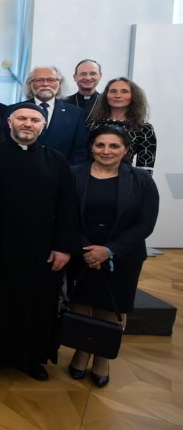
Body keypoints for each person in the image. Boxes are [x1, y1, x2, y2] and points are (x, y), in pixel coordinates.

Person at [0, 103, 79, 380]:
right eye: (22, 118)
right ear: (9, 122)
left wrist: (63, 247)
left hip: (41, 249)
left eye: (35, 120)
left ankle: (31, 358)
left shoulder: (56, 160)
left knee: (36, 305)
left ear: (43, 126)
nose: (28, 124)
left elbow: (67, 206)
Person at [66, 125, 159, 387]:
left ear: (126, 149)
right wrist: (88, 250)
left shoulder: (141, 180)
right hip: (81, 254)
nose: (106, 151)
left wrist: (108, 251)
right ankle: (81, 352)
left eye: (114, 146)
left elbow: (146, 223)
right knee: (80, 305)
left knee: (111, 309)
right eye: (100, 145)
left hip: (123, 257)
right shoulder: (74, 174)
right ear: (91, 147)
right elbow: (65, 216)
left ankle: (102, 358)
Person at [15, 65, 87, 165]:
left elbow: (80, 150)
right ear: (31, 84)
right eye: (39, 80)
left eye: (51, 80)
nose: (45, 84)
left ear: (60, 83)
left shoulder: (75, 114)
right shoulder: (14, 110)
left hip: (62, 171)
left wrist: (67, 170)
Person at [86, 77, 157, 174]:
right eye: (113, 91)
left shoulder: (144, 128)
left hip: (125, 178)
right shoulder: (92, 124)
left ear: (133, 96)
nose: (118, 95)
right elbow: (82, 156)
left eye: (124, 91)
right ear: (106, 95)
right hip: (91, 176)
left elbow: (145, 168)